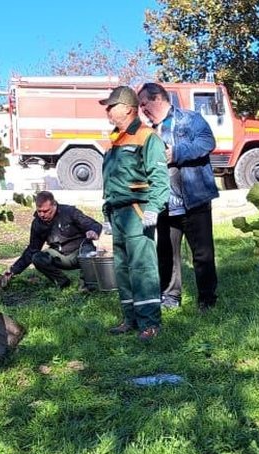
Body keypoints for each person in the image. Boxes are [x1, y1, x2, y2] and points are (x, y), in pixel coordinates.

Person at [137, 82, 220, 311]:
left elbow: (207, 142)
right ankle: (170, 297)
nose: (142, 109)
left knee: (202, 254)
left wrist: (177, 152)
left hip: (194, 200)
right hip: (165, 203)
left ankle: (207, 300)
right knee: (166, 254)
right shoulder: (147, 132)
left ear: (157, 98)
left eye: (143, 103)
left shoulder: (190, 119)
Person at [98, 86, 169, 341]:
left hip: (137, 212)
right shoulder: (115, 140)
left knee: (142, 267)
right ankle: (130, 319)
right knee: (123, 268)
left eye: (111, 106)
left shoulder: (146, 137)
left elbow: (159, 177)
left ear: (128, 109)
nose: (107, 110)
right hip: (118, 214)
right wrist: (106, 212)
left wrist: (153, 208)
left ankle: (150, 323)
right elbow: (112, 180)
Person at [0, 191, 102, 291]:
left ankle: (87, 286)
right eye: (39, 211)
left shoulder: (69, 212)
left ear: (54, 205)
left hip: (79, 252)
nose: (42, 215)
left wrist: (93, 231)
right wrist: (12, 271)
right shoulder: (37, 223)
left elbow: (94, 224)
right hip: (60, 256)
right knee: (37, 257)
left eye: (46, 211)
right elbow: (32, 250)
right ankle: (62, 282)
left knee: (88, 251)